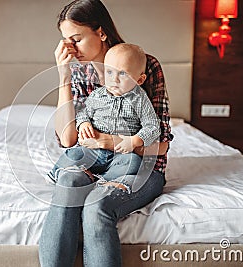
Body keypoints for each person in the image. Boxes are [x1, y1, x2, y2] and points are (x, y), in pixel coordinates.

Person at [39, 0, 173, 266]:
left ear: (100, 33)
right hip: (92, 164)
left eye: (76, 39)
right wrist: (63, 78)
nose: (70, 48)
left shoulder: (144, 65)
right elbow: (68, 139)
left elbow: (161, 145)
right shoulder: (79, 71)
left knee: (96, 205)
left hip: (140, 169)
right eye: (66, 41)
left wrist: (111, 142)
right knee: (68, 183)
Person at [47, 43, 160, 186]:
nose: (115, 79)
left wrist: (134, 141)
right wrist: (84, 124)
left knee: (134, 163)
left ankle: (100, 180)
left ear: (140, 80)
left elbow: (153, 127)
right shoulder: (98, 95)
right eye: (110, 72)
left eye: (123, 73)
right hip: (94, 149)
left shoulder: (140, 100)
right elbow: (83, 113)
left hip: (122, 154)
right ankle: (56, 173)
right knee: (74, 154)